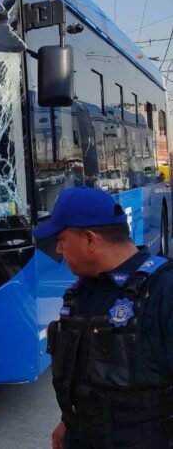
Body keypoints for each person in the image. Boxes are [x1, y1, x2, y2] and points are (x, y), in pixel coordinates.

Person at [36, 187, 173, 449]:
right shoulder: (81, 292)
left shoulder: (163, 291)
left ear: (90, 239)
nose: (59, 249)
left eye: (62, 239)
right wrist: (68, 422)